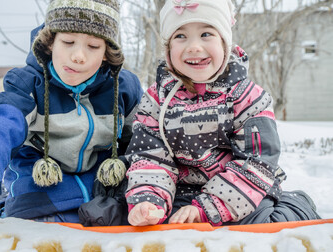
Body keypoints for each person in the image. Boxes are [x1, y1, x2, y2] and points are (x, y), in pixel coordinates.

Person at [0, 0, 143, 240]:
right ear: (50, 42)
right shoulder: (28, 85)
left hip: (103, 197)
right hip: (40, 198)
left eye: (93, 46)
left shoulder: (123, 88)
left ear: (107, 52)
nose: (78, 56)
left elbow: (144, 141)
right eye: (68, 42)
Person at [125, 0, 320, 226]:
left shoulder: (246, 97)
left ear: (225, 43)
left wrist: (207, 208)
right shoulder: (157, 100)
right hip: (180, 192)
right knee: (151, 221)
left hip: (242, 193)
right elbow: (150, 157)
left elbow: (257, 161)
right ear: (168, 49)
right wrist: (150, 201)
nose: (193, 46)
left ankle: (296, 206)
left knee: (265, 222)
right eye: (180, 36)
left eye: (206, 34)